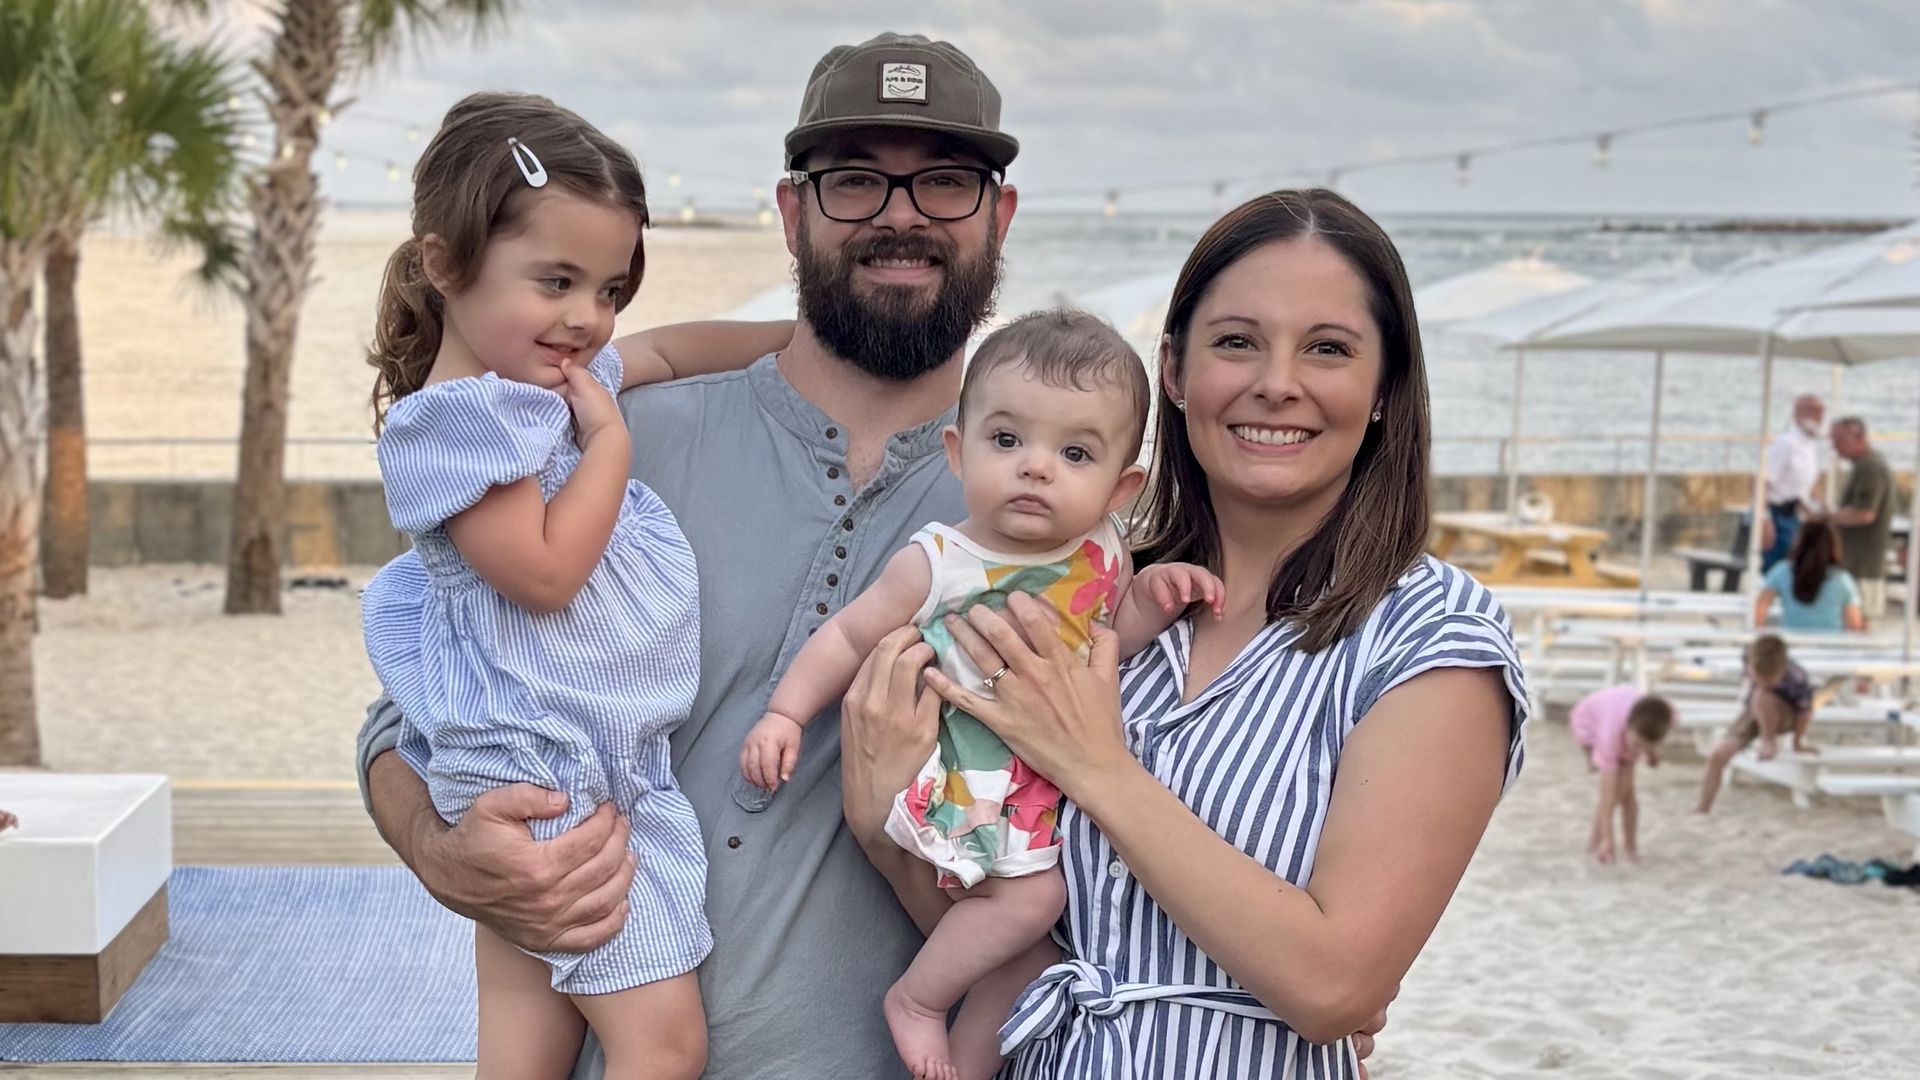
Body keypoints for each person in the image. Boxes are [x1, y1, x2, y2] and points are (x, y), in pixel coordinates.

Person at [356, 38, 1381, 1079]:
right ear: (794, 211)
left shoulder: (1077, 539)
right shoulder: (619, 441)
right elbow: (416, 709)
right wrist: (446, 853)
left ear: (1000, 216)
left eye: (945, 182)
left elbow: (1114, 877)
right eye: (855, 181)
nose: (903, 215)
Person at [843, 189, 1526, 1079]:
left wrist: (1099, 769)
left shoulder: (1430, 638)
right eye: (1237, 342)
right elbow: (999, 927)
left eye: (1328, 349)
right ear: (1172, 369)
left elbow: (1335, 987)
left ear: (1386, 386)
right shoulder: (1095, 602)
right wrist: (880, 820)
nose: (1277, 383)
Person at [358, 92, 791, 1079]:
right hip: (558, 773)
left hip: (547, 759)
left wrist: (793, 345)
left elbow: (677, 350)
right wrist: (609, 443)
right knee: (664, 1043)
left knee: (526, 1043)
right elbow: (547, 573)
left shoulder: (534, 380)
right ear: (443, 264)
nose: (588, 320)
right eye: (556, 279)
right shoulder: (463, 421)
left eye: (608, 290)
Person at [740, 311, 1222, 1079]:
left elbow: (1106, 647)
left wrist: (1154, 602)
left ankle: (961, 1063)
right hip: (967, 780)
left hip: (1042, 789)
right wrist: (785, 712)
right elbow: (846, 637)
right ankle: (918, 1001)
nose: (1036, 468)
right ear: (958, 453)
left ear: (1120, 486)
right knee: (1032, 910)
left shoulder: (1102, 551)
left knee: (1025, 958)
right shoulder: (941, 561)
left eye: (1074, 453)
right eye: (1007, 441)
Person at [1696, 634, 1814, 813]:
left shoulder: (1797, 678)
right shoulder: (1748, 656)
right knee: (1718, 754)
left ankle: (1768, 740)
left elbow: (1804, 713)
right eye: (1757, 678)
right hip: (1754, 711)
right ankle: (1702, 807)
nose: (1762, 682)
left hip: (1785, 714)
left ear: (1782, 670)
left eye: (1769, 680)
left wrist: (1798, 742)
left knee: (1763, 695)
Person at [1568, 687, 1674, 865]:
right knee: (1614, 793)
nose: (1639, 751)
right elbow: (1607, 797)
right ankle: (1599, 843)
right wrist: (1609, 840)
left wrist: (1651, 752)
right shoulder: (1610, 736)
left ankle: (1629, 847)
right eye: (1638, 744)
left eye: (1644, 746)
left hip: (1621, 717)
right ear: (1628, 727)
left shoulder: (1665, 715)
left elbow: (1647, 738)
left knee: (1627, 793)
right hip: (1589, 723)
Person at [1830, 417, 1895, 620]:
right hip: (1858, 564)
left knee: (1859, 622)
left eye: (1838, 441)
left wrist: (1828, 518)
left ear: (1858, 438)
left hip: (1862, 565)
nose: (1834, 448)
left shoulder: (1870, 468)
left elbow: (1865, 514)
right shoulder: (1865, 465)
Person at [1754, 516, 1864, 632]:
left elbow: (1758, 613)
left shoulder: (1782, 571)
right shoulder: (1843, 580)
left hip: (1792, 645)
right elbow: (1854, 625)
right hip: (1831, 647)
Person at [1759, 394, 1825, 571]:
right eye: (1814, 411)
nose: (1819, 417)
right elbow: (1761, 482)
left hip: (1797, 514)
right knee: (1778, 568)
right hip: (1777, 514)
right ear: (1798, 413)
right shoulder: (1786, 444)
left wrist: (1820, 507)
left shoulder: (1810, 445)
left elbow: (1805, 483)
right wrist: (1764, 520)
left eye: (1821, 412)